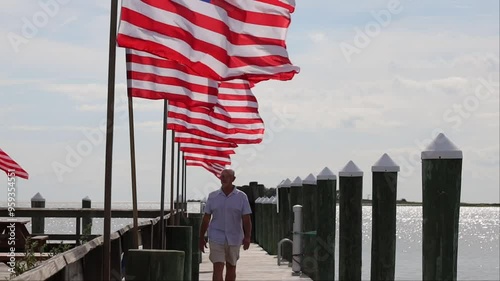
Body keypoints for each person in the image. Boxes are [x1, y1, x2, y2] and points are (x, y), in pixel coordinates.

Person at [199, 169, 252, 281]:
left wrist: (247, 237)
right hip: (216, 236)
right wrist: (201, 237)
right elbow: (206, 218)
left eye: (227, 176)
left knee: (231, 267)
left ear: (233, 179)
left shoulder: (242, 197)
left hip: (234, 237)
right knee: (218, 266)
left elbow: (246, 219)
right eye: (222, 176)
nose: (223, 179)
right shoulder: (213, 196)